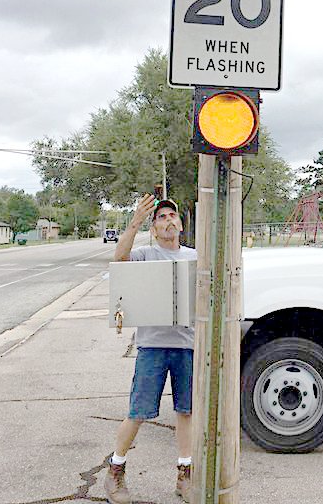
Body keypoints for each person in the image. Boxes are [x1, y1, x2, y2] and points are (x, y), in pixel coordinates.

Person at [104, 193, 197, 504]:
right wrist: (134, 222)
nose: (168, 221)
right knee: (138, 412)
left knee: (186, 411)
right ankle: (115, 471)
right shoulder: (145, 254)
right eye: (161, 218)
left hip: (186, 346)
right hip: (152, 347)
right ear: (154, 229)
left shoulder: (194, 257)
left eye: (172, 216)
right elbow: (119, 261)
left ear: (180, 224)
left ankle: (185, 475)